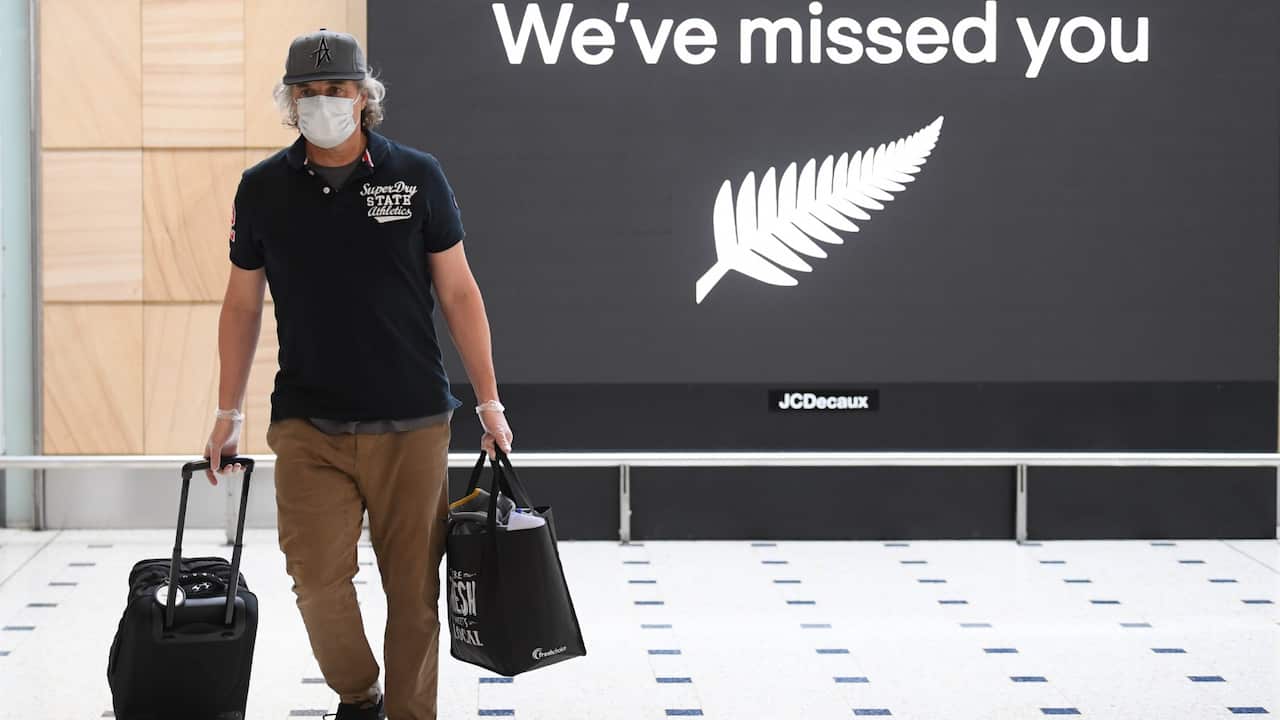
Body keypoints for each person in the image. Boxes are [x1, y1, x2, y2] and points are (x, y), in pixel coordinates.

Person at [201, 28, 513, 720]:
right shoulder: (261, 191)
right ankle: (358, 692)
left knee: (413, 596)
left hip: (413, 423)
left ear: (363, 96)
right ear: (289, 101)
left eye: (334, 89)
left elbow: (460, 293)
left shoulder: (417, 175)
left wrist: (489, 401)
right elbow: (242, 304)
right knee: (314, 579)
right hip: (308, 425)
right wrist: (227, 414)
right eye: (306, 92)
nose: (321, 103)